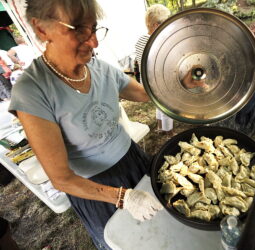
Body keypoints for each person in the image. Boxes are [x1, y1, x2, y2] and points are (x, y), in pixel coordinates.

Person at [8, 1, 204, 249]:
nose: (93, 42)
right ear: (41, 29)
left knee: (165, 231)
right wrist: (124, 197)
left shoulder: (99, 68)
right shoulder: (33, 91)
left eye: (93, 29)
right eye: (78, 30)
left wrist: (180, 82)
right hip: (96, 189)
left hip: (134, 161)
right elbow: (61, 179)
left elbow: (144, 94)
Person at [215, 20, 255, 137]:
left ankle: (243, 142)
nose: (251, 35)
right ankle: (226, 139)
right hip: (239, 88)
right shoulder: (244, 49)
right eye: (250, 32)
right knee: (229, 118)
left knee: (245, 122)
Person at [135, 4, 175, 136]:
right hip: (157, 82)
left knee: (159, 106)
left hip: (147, 82)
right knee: (167, 107)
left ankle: (160, 127)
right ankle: (169, 132)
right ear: (156, 25)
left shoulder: (141, 39)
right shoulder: (155, 42)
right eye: (165, 23)